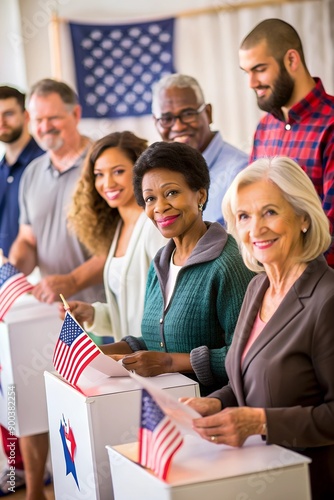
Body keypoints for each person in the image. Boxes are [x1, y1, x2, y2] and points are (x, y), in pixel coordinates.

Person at [181, 157, 334, 499]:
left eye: (270, 212)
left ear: (304, 218)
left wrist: (259, 423)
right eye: (244, 216)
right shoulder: (257, 287)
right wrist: (217, 404)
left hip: (310, 483)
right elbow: (250, 382)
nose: (255, 229)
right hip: (255, 479)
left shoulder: (327, 300)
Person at [8, 78, 105, 500]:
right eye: (37, 119)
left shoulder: (101, 162)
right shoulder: (32, 171)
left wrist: (71, 281)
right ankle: (33, 493)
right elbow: (29, 239)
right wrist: (12, 269)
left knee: (89, 410)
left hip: (99, 309)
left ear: (76, 115)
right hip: (47, 309)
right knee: (32, 403)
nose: (44, 127)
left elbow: (116, 247)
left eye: (53, 118)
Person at [100, 141, 255, 396]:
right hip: (163, 409)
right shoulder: (161, 262)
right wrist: (98, 353)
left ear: (201, 195)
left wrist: (169, 362)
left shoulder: (229, 263)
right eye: (150, 198)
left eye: (171, 193)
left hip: (212, 414)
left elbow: (247, 354)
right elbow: (158, 343)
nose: (160, 207)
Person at [239, 18, 334, 267]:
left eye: (259, 69)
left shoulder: (331, 123)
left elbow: (330, 225)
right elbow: (249, 207)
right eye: (246, 72)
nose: (251, 83)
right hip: (271, 278)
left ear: (292, 60)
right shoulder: (264, 128)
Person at [62, 131, 167, 341]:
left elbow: (170, 307)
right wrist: (92, 314)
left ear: (140, 171)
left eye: (118, 171)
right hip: (132, 361)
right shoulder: (120, 227)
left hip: (156, 361)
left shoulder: (155, 227)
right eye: (99, 174)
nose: (107, 183)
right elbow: (129, 311)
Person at [0, 86, 44, 496]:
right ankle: (15, 472)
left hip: (38, 293)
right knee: (11, 386)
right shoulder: (2, 167)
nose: (2, 122)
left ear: (25, 116)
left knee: (32, 393)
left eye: (9, 113)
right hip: (9, 288)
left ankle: (38, 478)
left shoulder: (39, 165)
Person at [151, 73, 248, 224]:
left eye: (188, 114)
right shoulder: (161, 173)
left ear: (208, 113)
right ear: (155, 122)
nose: (178, 126)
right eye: (166, 119)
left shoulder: (241, 172)